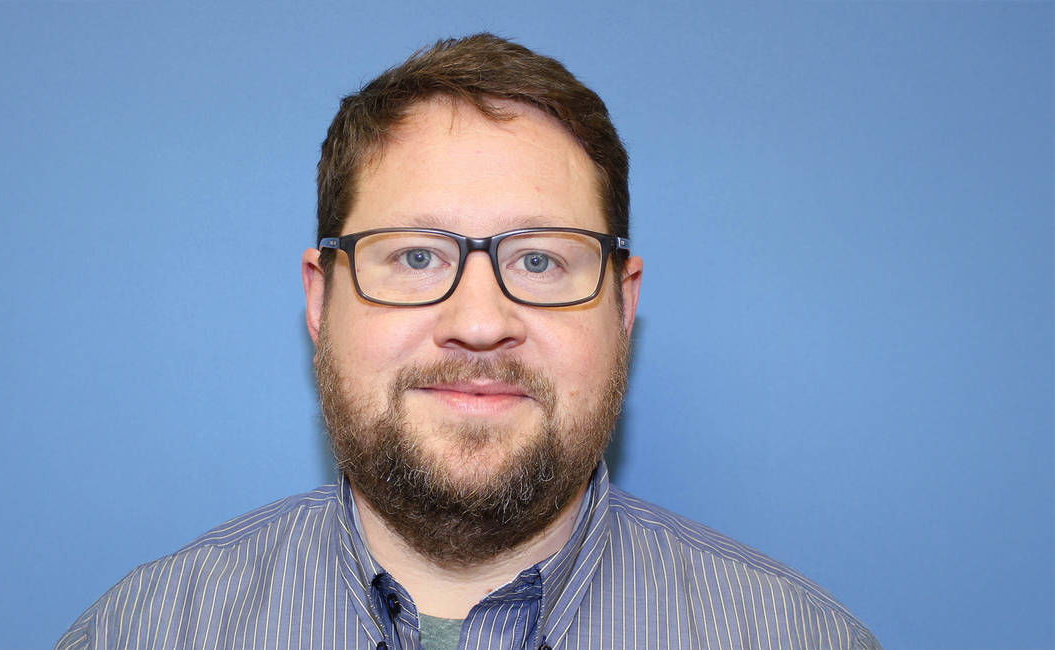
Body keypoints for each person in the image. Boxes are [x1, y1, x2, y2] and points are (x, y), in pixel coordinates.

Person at [56, 33, 880, 650]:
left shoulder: (798, 635)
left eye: (540, 260)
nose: (480, 322)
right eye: (416, 256)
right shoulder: (143, 630)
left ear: (622, 307)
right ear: (320, 297)